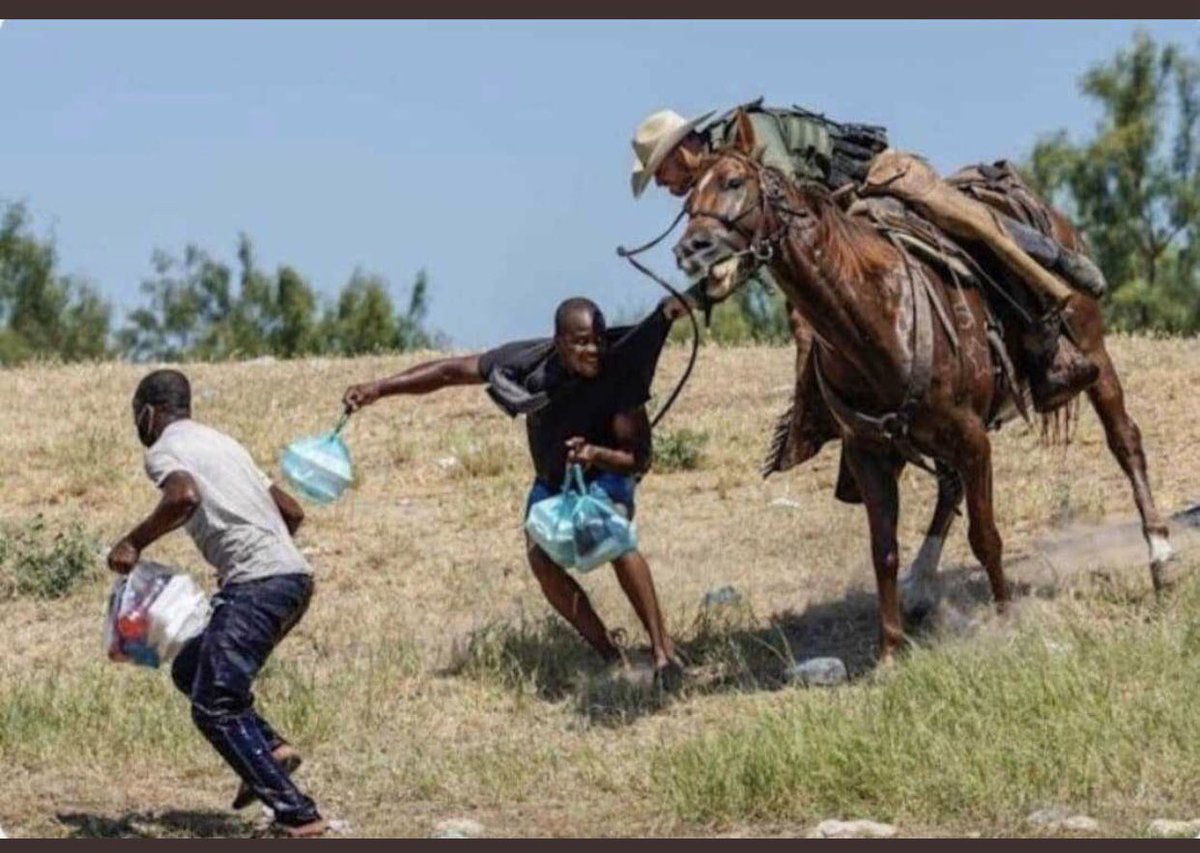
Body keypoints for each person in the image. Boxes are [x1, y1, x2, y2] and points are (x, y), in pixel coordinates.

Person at [630, 98, 1108, 413]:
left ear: (683, 149)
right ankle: (836, 416)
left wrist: (725, 272)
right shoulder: (712, 187)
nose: (664, 184)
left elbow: (782, 211)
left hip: (872, 184)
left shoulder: (748, 136)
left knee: (965, 227)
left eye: (662, 171)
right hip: (834, 228)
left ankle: (1049, 320)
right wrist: (698, 292)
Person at [342, 297, 687, 688]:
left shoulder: (618, 373)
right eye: (581, 342)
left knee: (612, 537)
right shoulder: (527, 363)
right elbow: (450, 372)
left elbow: (638, 459)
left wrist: (594, 454)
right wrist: (380, 388)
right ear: (559, 342)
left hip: (608, 473)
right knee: (541, 559)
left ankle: (663, 654)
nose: (593, 350)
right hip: (553, 482)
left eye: (598, 341)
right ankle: (610, 654)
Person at [108, 369, 325, 838]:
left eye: (135, 416)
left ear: (149, 412)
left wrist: (133, 542)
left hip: (259, 584)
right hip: (293, 579)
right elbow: (291, 511)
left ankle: (298, 816)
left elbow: (182, 497)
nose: (137, 427)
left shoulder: (166, 447)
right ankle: (271, 749)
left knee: (215, 705)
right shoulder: (225, 443)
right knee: (191, 668)